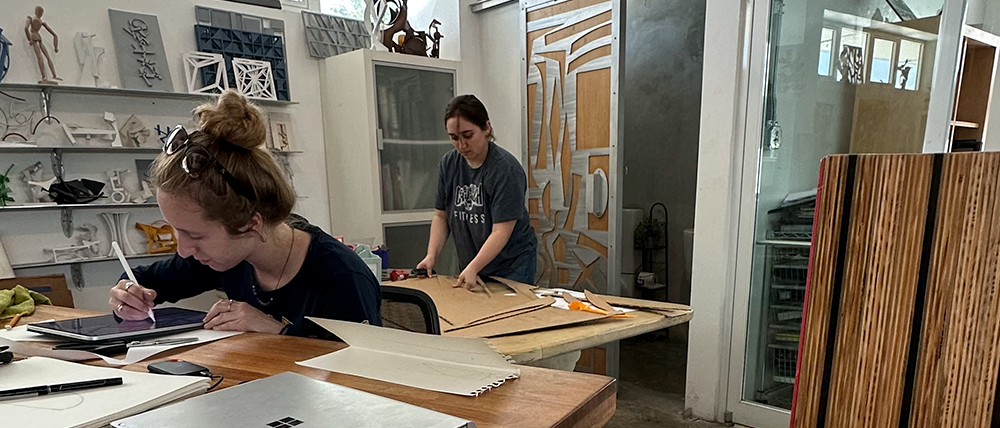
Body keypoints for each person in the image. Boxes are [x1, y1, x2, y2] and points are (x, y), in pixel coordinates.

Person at [108, 90, 381, 337]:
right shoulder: (222, 257)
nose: (183, 250)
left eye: (195, 235)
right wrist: (127, 293)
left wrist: (278, 331)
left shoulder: (342, 278)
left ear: (251, 224)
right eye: (176, 230)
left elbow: (366, 374)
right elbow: (144, 280)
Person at [417, 94, 538, 289]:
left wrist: (474, 266)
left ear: (486, 128)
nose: (461, 145)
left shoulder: (505, 170)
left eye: (468, 135)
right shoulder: (449, 164)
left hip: (511, 264)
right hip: (474, 262)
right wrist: (432, 256)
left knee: (509, 316)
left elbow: (500, 231)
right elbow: (441, 216)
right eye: (454, 138)